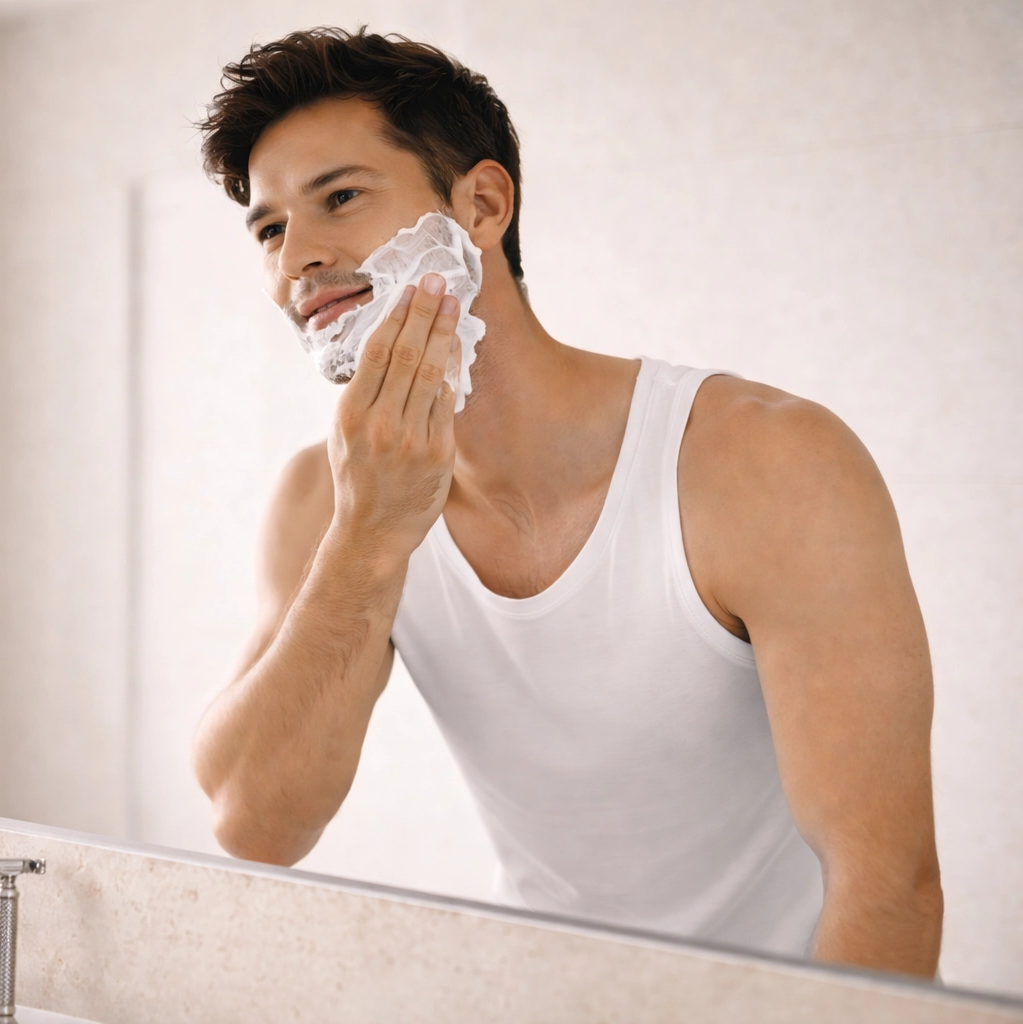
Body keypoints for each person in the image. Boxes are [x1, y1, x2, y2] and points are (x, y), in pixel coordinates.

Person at [190, 27, 943, 977]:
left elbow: (888, 887)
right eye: (268, 229)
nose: (295, 258)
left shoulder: (763, 463)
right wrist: (371, 536)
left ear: (481, 204)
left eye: (338, 197)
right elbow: (254, 823)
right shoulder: (327, 500)